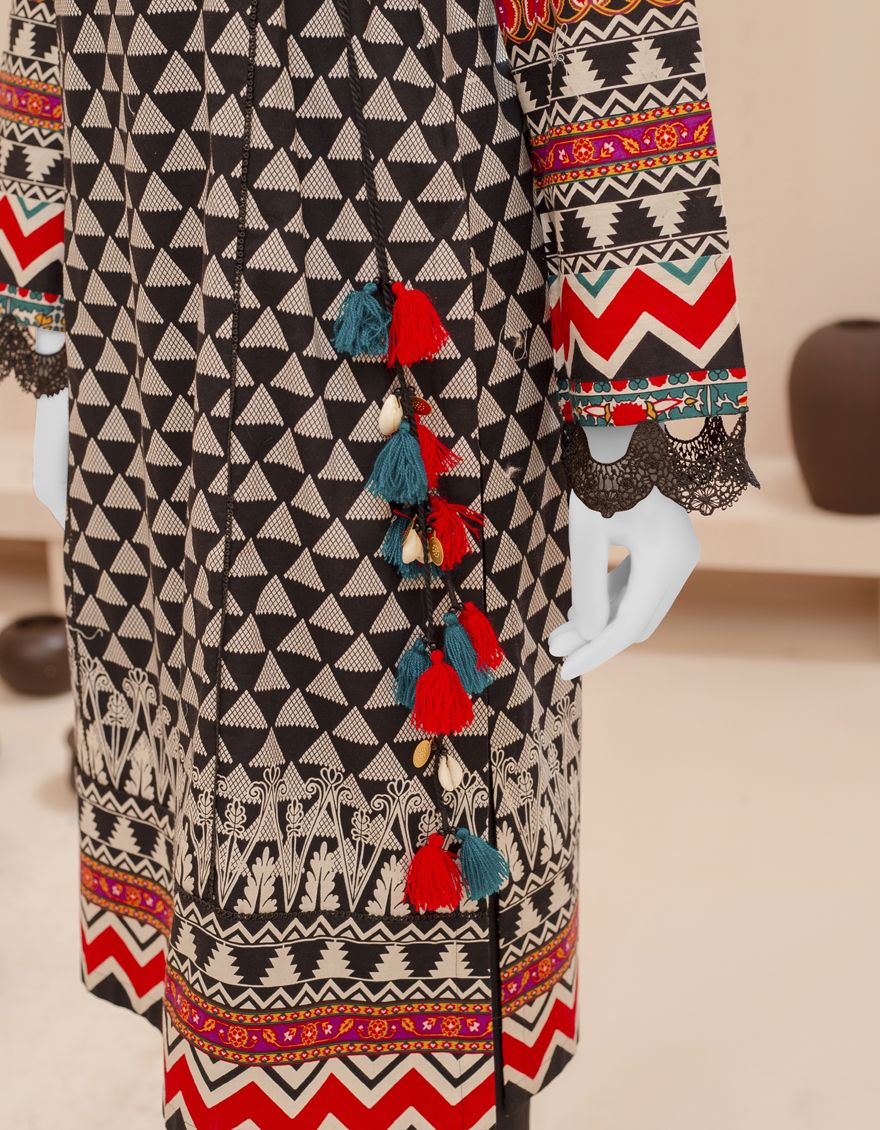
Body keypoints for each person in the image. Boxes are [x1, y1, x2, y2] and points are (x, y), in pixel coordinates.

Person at [0, 1, 755, 1126]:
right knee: (196, 728)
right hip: (144, 234)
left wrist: (638, 414)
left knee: (412, 758)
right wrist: (46, 302)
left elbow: (600, 23)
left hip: (395, 216)